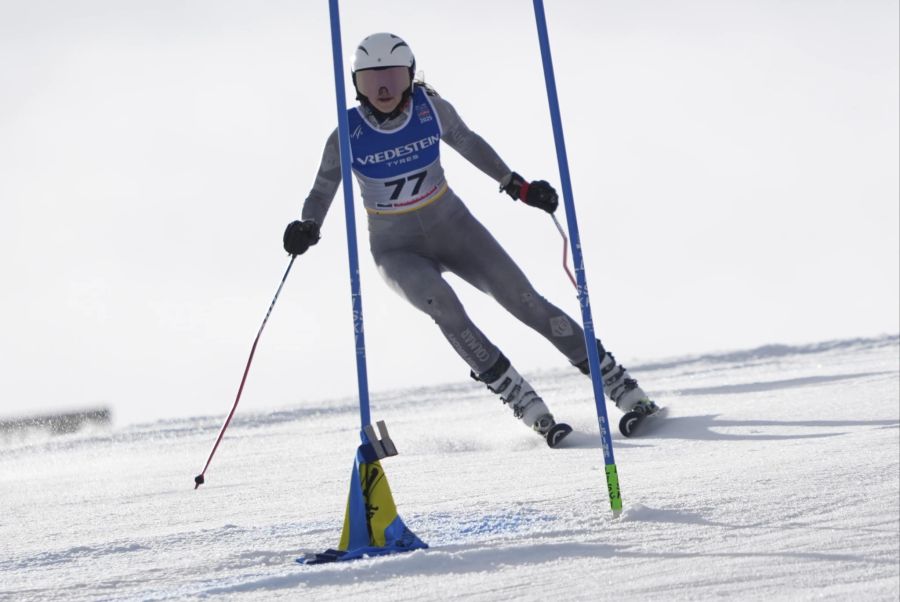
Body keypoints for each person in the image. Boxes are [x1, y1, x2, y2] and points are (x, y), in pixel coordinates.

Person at [284, 33, 659, 447]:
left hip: (454, 228)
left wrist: (517, 185)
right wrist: (308, 225)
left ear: (410, 76)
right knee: (442, 306)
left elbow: (468, 143)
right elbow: (323, 188)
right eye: (372, 81)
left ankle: (621, 386)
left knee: (524, 300)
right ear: (356, 84)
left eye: (391, 76)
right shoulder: (347, 133)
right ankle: (521, 399)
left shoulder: (431, 110)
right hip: (396, 249)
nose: (384, 89)